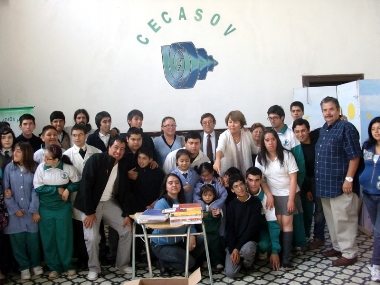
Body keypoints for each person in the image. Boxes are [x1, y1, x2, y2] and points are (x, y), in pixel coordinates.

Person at [74, 135, 134, 281]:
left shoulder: (122, 165)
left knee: (127, 230)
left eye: (122, 149)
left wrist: (127, 214)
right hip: (90, 205)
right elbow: (85, 187)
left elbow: (125, 192)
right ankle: (93, 268)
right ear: (109, 148)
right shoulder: (96, 160)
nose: (118, 151)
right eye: (116, 148)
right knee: (92, 237)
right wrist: (89, 212)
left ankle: (122, 264)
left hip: (108, 203)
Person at [315, 96, 362, 267]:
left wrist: (349, 179)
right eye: (325, 110)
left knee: (344, 219)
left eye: (331, 109)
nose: (328, 113)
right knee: (333, 220)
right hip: (325, 186)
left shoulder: (346, 128)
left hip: (342, 186)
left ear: (338, 110)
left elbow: (355, 156)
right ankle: (337, 247)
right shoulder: (323, 129)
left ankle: (349, 253)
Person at [255, 129, 301, 270]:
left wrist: (291, 200)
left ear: (277, 140)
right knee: (277, 224)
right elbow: (261, 180)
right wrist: (268, 194)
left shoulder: (287, 155)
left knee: (287, 223)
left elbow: (293, 179)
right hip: (272, 193)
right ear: (263, 142)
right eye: (267, 140)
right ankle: (277, 253)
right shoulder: (260, 158)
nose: (270, 143)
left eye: (273, 139)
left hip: (288, 192)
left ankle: (286, 258)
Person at [33, 144, 81, 279]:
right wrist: (56, 190)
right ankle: (54, 267)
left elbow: (78, 182)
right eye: (44, 157)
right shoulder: (41, 169)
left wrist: (67, 189)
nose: (44, 160)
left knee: (64, 236)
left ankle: (68, 265)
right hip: (46, 208)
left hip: (63, 208)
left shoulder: (67, 168)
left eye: (48, 158)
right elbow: (37, 187)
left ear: (56, 159)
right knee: (48, 238)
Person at [267, 105, 306, 255]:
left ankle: (300, 245)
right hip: (274, 188)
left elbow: (300, 162)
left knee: (296, 216)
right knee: (280, 219)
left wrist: (298, 185)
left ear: (282, 117)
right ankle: (282, 249)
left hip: (292, 184)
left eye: (275, 118)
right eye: (270, 118)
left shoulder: (291, 135)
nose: (272, 121)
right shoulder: (269, 135)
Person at [150, 173, 205, 277]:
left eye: (177, 182)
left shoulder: (183, 201)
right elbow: (160, 229)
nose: (174, 185)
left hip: (179, 241)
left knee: (201, 239)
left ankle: (185, 260)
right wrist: (173, 217)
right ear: (165, 187)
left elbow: (191, 222)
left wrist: (192, 235)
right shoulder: (161, 203)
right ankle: (162, 262)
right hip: (162, 244)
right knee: (190, 263)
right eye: (170, 183)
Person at [63, 124, 102, 269]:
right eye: (74, 135)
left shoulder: (96, 152)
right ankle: (82, 259)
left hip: (93, 197)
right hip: (75, 197)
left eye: (80, 134)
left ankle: (96, 258)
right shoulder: (67, 154)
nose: (77, 138)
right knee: (80, 229)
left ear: (86, 135)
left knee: (94, 229)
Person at [3, 142, 42, 280]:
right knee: (17, 241)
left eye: (18, 151)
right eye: (14, 151)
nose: (15, 154)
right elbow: (6, 191)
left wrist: (34, 210)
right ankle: (24, 267)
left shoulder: (34, 167)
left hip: (31, 211)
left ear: (26, 152)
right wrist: (14, 209)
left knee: (33, 241)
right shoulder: (9, 168)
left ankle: (35, 264)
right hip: (15, 213)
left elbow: (36, 190)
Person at [292, 118, 326, 250]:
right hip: (307, 181)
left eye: (303, 131)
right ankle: (305, 237)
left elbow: (327, 126)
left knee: (319, 210)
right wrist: (306, 189)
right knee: (306, 211)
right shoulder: (297, 149)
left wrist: (341, 118)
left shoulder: (317, 138)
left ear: (308, 130)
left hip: (321, 179)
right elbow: (300, 171)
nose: (300, 134)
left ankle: (319, 238)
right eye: (297, 132)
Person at [224, 173, 261, 279]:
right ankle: (238, 259)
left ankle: (247, 264)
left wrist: (237, 248)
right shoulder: (231, 205)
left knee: (248, 250)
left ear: (245, 185)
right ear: (232, 190)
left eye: (241, 185)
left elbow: (251, 229)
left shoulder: (255, 202)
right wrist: (233, 250)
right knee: (230, 274)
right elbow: (229, 229)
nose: (240, 188)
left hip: (248, 241)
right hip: (234, 243)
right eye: (236, 186)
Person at [245, 167, 281, 271]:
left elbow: (273, 225)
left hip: (260, 227)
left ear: (261, 180)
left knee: (264, 245)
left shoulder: (266, 198)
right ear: (246, 179)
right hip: (245, 226)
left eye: (257, 180)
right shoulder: (242, 191)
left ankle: (262, 250)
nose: (253, 184)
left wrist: (275, 252)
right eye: (250, 180)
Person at [359, 116, 380, 282]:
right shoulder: (367, 146)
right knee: (377, 229)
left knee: (379, 232)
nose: (377, 131)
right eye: (373, 129)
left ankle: (375, 265)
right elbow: (361, 165)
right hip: (368, 193)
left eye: (379, 128)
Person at [213, 110, 259, 177]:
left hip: (246, 172)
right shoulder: (224, 135)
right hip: (230, 174)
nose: (232, 125)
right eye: (230, 122)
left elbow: (253, 149)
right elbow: (220, 148)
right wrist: (217, 160)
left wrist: (266, 150)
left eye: (235, 122)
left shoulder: (247, 133)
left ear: (241, 124)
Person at [198, 184, 224, 270]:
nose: (207, 197)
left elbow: (219, 218)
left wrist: (217, 214)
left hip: (213, 232)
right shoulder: (200, 205)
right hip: (203, 231)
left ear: (214, 195)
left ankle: (217, 262)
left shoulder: (216, 205)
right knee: (204, 248)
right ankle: (205, 261)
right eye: (205, 195)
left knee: (215, 247)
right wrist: (209, 214)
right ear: (201, 196)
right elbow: (200, 217)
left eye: (210, 195)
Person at [133, 148, 165, 212]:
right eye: (139, 158)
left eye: (144, 158)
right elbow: (135, 192)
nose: (141, 161)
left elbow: (163, 188)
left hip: (157, 204)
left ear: (150, 159)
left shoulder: (158, 171)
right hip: (139, 206)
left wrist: (157, 201)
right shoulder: (134, 172)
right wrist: (145, 206)